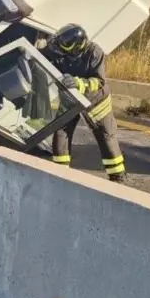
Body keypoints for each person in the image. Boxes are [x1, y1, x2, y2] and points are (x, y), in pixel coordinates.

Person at [43, 23, 127, 183]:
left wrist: (78, 83)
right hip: (70, 99)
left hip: (96, 103)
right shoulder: (58, 49)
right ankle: (59, 175)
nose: (58, 48)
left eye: (63, 45)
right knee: (61, 133)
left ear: (76, 47)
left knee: (106, 138)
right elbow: (40, 55)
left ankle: (118, 177)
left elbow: (99, 82)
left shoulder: (95, 52)